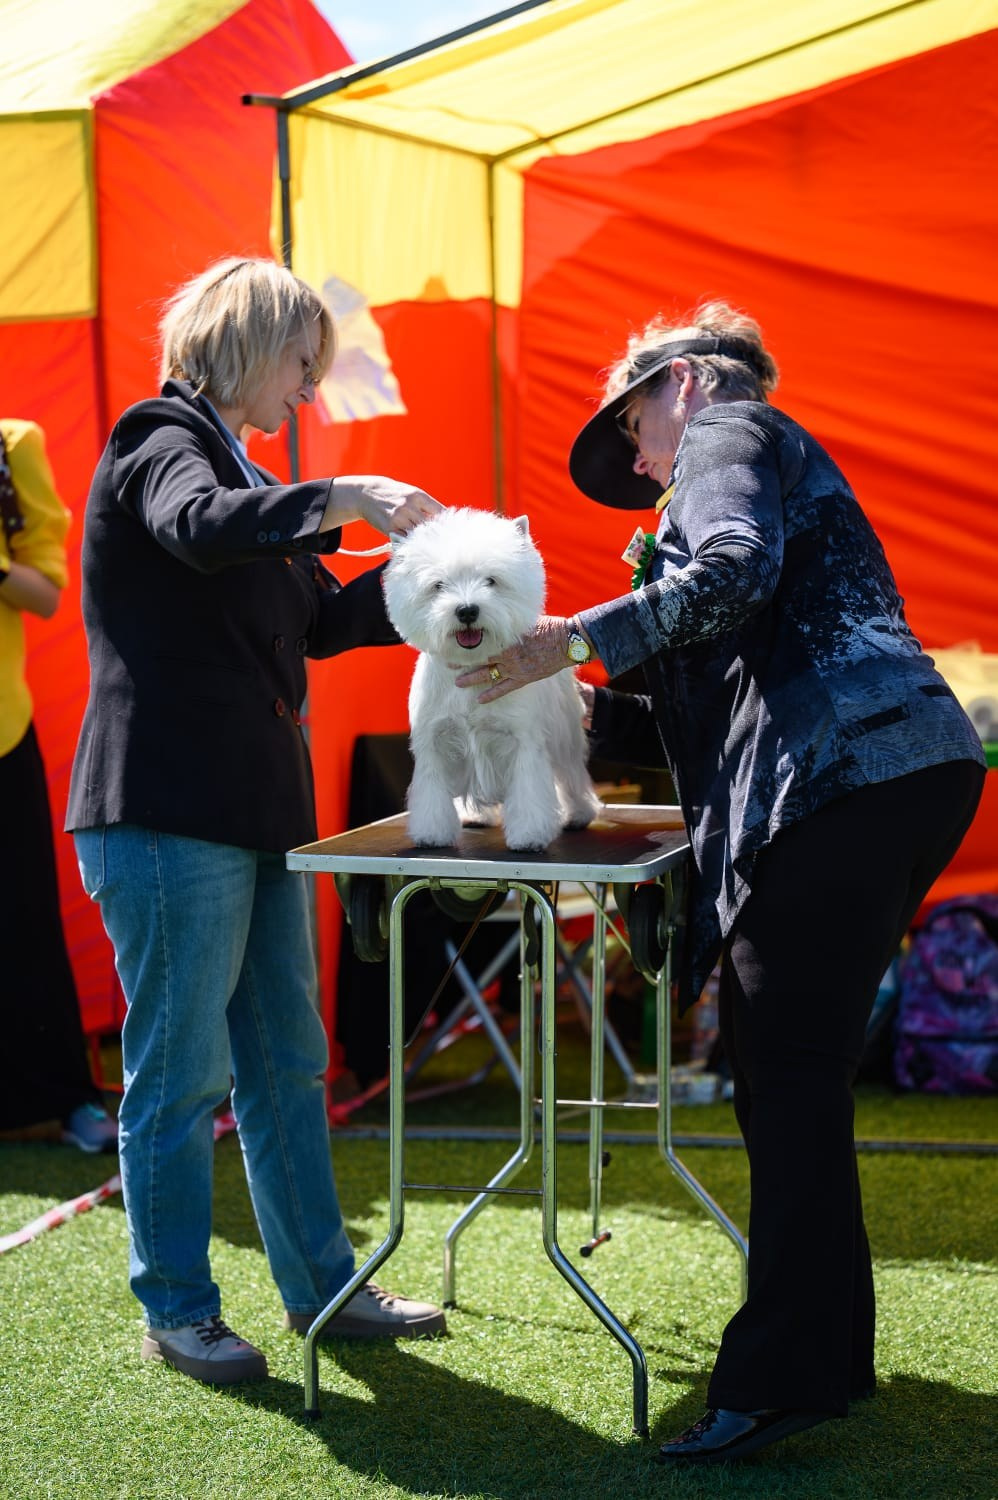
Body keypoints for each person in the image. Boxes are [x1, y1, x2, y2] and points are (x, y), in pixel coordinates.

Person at [458, 301, 985, 1463]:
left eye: (634, 428)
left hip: (843, 781)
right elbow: (713, 695)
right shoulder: (739, 458)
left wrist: (559, 641)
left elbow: (732, 573)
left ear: (683, 383)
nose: (641, 462)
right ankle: (827, 1351)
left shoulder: (728, 431)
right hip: (898, 773)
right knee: (787, 1077)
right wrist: (573, 701)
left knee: (783, 1079)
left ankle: (780, 1376)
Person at [66, 257, 448, 1387]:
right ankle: (178, 1308)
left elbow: (320, 624)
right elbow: (196, 526)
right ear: (250, 342)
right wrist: (344, 497)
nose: (307, 391)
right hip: (167, 809)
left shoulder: (244, 466)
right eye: (301, 364)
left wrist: (453, 584)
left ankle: (323, 1287)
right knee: (179, 1080)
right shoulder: (158, 438)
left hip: (255, 811)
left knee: (288, 1065)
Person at [0, 419, 118, 1154]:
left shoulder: (13, 444)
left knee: (21, 923)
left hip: (2, 731)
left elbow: (45, 592)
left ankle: (62, 1100)